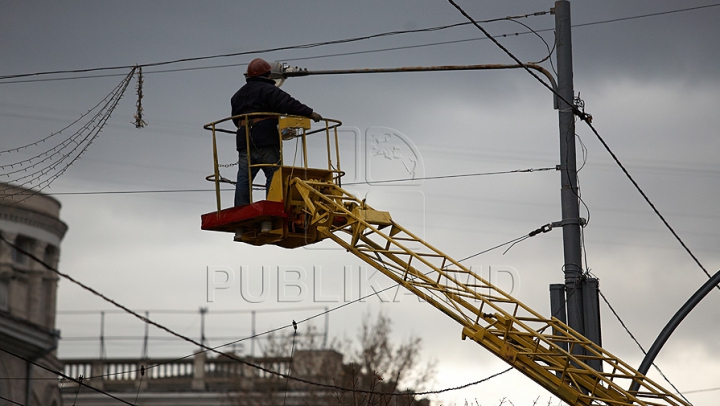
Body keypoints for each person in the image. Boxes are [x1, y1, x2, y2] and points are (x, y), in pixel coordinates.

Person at [231, 58, 322, 207]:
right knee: (274, 175)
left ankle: (240, 208)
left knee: (244, 177)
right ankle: (272, 206)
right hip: (265, 139)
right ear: (268, 75)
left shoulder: (237, 95)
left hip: (244, 140)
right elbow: (289, 104)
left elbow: (236, 120)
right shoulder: (268, 90)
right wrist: (310, 113)